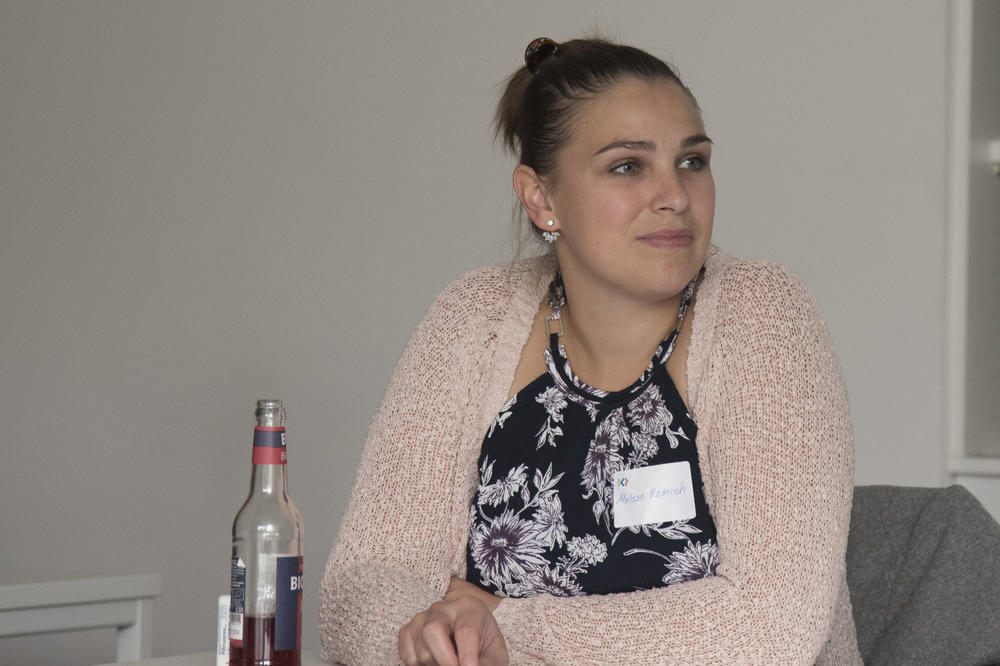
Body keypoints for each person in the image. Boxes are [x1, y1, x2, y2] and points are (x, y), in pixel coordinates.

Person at [319, 36, 859, 665]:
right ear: (541, 198)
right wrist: (427, 639)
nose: (676, 196)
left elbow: (769, 627)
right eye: (628, 166)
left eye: (692, 161)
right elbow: (363, 584)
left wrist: (499, 625)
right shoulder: (472, 318)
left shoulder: (763, 313)